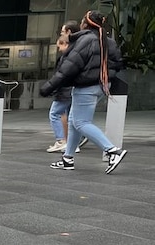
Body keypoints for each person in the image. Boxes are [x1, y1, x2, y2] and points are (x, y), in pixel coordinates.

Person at [39, 10, 126, 173]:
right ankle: (68, 158)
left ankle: (112, 151)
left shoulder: (85, 40)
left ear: (85, 24)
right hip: (101, 86)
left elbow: (69, 67)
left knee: (81, 123)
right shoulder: (108, 41)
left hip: (86, 87)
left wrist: (49, 87)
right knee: (73, 121)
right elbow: (118, 63)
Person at [46, 34, 73, 153]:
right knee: (70, 117)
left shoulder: (66, 58)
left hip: (65, 91)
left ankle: (61, 140)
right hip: (70, 91)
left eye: (59, 46)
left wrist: (50, 88)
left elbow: (61, 76)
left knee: (54, 114)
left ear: (65, 44)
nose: (59, 49)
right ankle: (71, 143)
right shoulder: (73, 56)